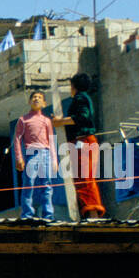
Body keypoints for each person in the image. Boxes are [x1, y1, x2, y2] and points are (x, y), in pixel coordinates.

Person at [52, 72, 107, 219]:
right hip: (82, 142)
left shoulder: (80, 98)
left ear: (74, 86)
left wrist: (60, 121)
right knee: (82, 177)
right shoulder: (83, 98)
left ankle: (93, 213)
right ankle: (89, 211)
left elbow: (82, 117)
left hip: (83, 141)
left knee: (84, 178)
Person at [14, 90, 57, 220]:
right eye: (34, 97)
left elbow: (51, 141)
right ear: (29, 101)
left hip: (45, 153)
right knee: (28, 184)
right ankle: (27, 214)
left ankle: (48, 214)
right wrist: (19, 158)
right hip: (31, 153)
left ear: (44, 103)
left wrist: (54, 160)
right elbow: (17, 139)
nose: (36, 99)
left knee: (46, 185)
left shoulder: (46, 120)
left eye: (39, 98)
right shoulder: (23, 119)